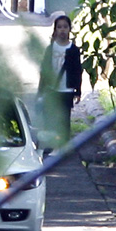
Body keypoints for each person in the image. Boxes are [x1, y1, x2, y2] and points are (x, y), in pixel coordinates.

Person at [37, 15, 82, 144]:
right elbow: (44, 70)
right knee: (50, 117)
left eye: (65, 27)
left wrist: (77, 91)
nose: (62, 30)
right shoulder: (50, 49)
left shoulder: (73, 50)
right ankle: (50, 144)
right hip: (51, 89)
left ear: (69, 29)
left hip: (66, 89)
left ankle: (63, 145)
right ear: (55, 29)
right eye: (59, 27)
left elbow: (77, 70)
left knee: (64, 119)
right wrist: (41, 90)